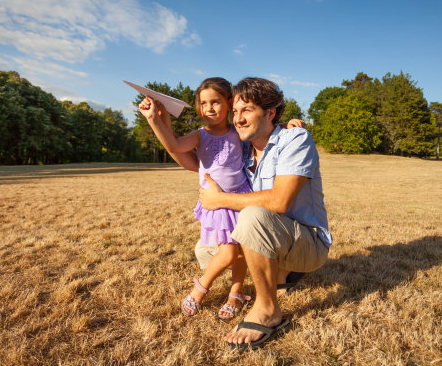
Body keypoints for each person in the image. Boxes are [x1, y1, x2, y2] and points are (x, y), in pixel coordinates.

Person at [194, 77, 332, 350]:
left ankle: (268, 309)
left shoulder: (295, 139)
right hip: (278, 237)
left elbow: (279, 202)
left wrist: (219, 199)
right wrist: (155, 119)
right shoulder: (243, 146)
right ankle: (284, 273)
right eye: (234, 111)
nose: (238, 119)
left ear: (270, 112)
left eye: (246, 110)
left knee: (251, 216)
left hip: (309, 243)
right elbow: (187, 154)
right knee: (207, 252)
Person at [138, 77, 252, 320]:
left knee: (241, 250)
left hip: (241, 197)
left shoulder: (238, 130)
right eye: (203, 103)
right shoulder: (200, 135)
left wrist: (288, 125)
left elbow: (263, 126)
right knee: (229, 253)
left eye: (216, 102)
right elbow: (175, 145)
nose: (209, 108)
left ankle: (236, 293)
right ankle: (200, 289)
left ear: (229, 102)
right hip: (216, 203)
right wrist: (154, 120)